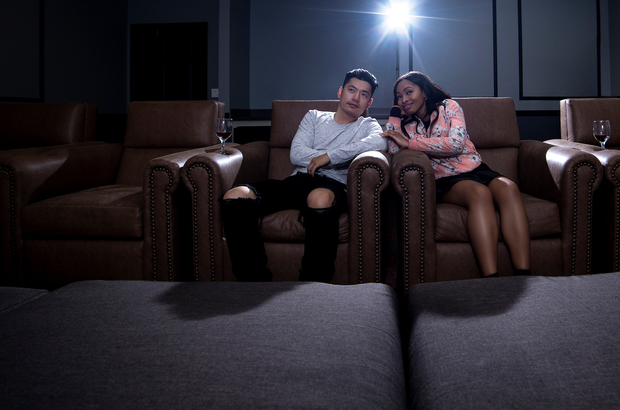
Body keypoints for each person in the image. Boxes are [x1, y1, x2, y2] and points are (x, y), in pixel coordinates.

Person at [221, 68, 387, 283]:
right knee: (235, 196)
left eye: (364, 94)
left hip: (332, 184)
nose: (356, 97)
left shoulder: (368, 125)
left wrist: (328, 157)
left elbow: (380, 142)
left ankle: (313, 283)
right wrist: (343, 152)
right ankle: (253, 281)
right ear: (340, 91)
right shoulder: (314, 117)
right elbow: (297, 153)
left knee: (319, 198)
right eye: (352, 90)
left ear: (369, 103)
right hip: (297, 181)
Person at [380, 71, 531, 278]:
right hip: (445, 180)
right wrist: (394, 116)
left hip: (475, 168)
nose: (404, 99)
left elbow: (456, 143)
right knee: (479, 193)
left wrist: (411, 143)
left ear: (424, 91)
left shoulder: (449, 107)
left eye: (408, 92)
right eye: (399, 96)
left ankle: (523, 274)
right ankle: (492, 278)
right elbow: (395, 153)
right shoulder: (405, 126)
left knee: (509, 187)